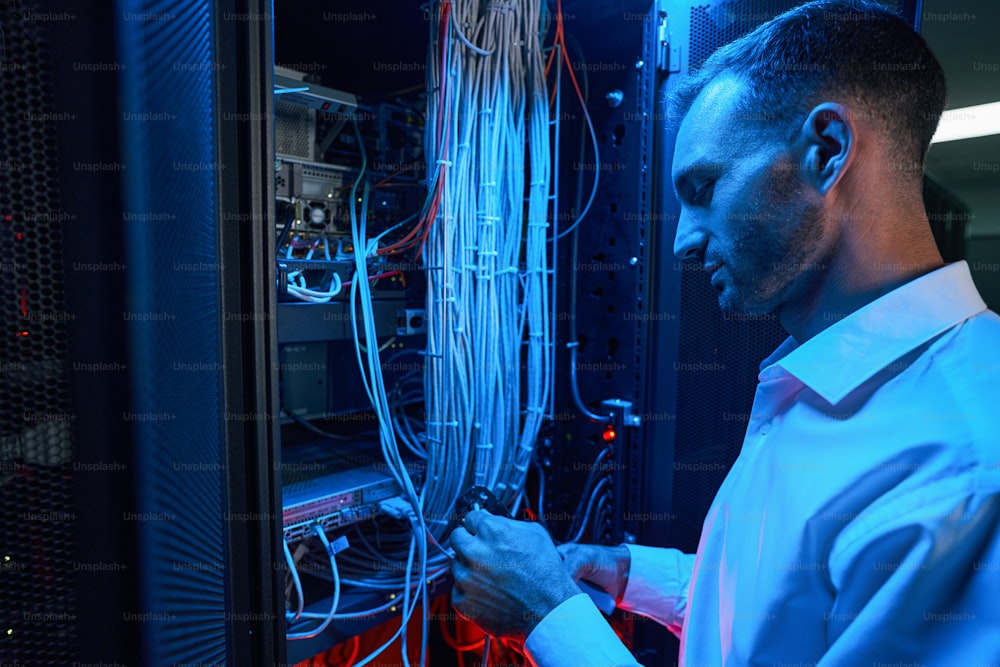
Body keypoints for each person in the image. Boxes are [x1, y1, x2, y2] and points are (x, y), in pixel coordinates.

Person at [449, 0, 1000, 665]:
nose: (682, 241)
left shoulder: (963, 465)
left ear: (827, 151)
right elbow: (789, 623)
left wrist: (546, 612)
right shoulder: (823, 380)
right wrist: (632, 574)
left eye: (706, 187)